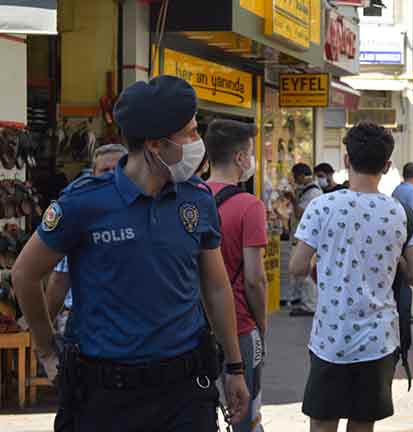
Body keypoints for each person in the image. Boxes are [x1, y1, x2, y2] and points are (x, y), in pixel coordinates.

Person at [12, 75, 249, 431]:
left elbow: (215, 288)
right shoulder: (85, 201)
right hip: (104, 397)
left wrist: (234, 368)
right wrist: (46, 351)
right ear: (155, 145)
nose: (198, 143)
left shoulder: (197, 199)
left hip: (183, 392)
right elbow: (25, 274)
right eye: (189, 133)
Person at [289, 121, 413, 432]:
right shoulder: (401, 213)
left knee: (323, 423)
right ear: (388, 165)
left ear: (347, 160)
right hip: (378, 340)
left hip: (330, 337)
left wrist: (324, 267)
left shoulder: (321, 207)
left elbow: (296, 267)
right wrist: (395, 262)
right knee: (363, 423)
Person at [204, 119, 268, 432]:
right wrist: (262, 325)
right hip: (240, 326)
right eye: (251, 153)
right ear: (241, 159)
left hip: (192, 327)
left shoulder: (185, 198)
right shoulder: (249, 206)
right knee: (245, 412)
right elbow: (255, 279)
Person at [46, 144, 128, 338]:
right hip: (87, 322)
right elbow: (59, 279)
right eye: (105, 170)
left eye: (117, 170)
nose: (111, 176)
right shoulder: (78, 212)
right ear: (93, 173)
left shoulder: (144, 211)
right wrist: (45, 332)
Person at [289, 163, 323, 316]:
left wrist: (292, 199)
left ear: (302, 176)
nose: (295, 180)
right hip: (304, 237)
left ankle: (310, 305)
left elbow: (300, 214)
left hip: (308, 240)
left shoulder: (313, 193)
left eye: (296, 177)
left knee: (306, 272)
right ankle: (303, 302)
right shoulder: (308, 191)